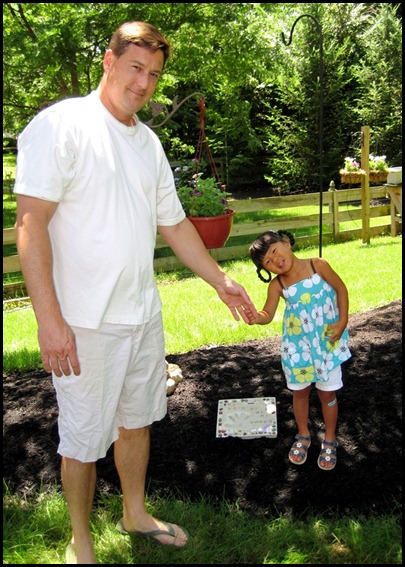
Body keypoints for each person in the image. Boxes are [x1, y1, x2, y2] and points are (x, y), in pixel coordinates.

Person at [14, 21, 258, 564]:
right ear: (109, 61)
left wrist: (221, 280)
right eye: (135, 68)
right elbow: (30, 225)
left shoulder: (147, 143)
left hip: (142, 316)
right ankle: (81, 541)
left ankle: (134, 512)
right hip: (83, 323)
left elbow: (174, 224)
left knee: (137, 421)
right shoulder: (62, 126)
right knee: (82, 439)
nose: (144, 83)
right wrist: (49, 321)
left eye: (154, 74)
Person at [246, 229, 351, 472]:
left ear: (286, 243)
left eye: (274, 251)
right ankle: (303, 434)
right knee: (300, 392)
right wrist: (255, 317)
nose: (275, 260)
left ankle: (330, 437)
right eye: (268, 262)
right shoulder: (278, 285)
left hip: (326, 344)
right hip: (298, 348)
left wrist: (343, 321)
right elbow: (267, 313)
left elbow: (341, 289)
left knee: (327, 393)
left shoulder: (318, 265)